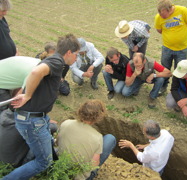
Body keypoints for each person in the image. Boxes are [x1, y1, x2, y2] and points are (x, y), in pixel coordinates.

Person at [2, 34, 80, 180]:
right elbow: (35, 72)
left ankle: (39, 166)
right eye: (76, 54)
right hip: (32, 121)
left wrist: (26, 94)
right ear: (69, 52)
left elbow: (36, 77)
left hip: (35, 117)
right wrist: (27, 96)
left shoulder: (53, 59)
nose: (76, 58)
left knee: (47, 143)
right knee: (43, 161)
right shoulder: (57, 61)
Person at [57, 99, 116, 180]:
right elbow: (94, 164)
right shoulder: (97, 137)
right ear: (98, 117)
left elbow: (58, 142)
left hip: (60, 169)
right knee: (110, 138)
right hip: (79, 177)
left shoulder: (66, 123)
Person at [154, 0, 187, 95]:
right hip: (167, 48)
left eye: (163, 15)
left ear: (170, 9)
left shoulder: (183, 10)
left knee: (179, 69)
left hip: (182, 48)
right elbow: (159, 30)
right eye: (160, 14)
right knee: (164, 68)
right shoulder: (158, 17)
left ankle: (176, 89)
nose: (161, 16)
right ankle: (163, 86)